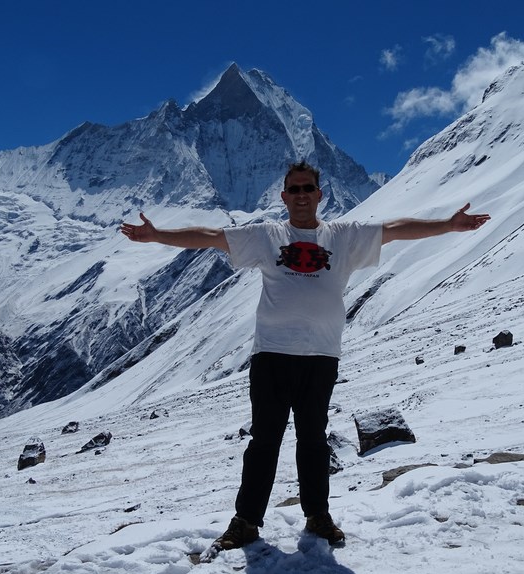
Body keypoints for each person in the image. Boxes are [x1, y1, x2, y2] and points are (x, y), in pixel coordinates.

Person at [120, 160, 490, 549]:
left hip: (321, 356)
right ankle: (246, 521)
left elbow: (396, 229)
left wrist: (447, 225)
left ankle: (318, 516)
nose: (300, 196)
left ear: (319, 194)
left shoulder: (343, 237)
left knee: (313, 440)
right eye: (293, 190)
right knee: (264, 441)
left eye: (307, 189)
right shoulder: (266, 236)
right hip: (272, 356)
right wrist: (157, 235)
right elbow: (212, 236)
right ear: (283, 197)